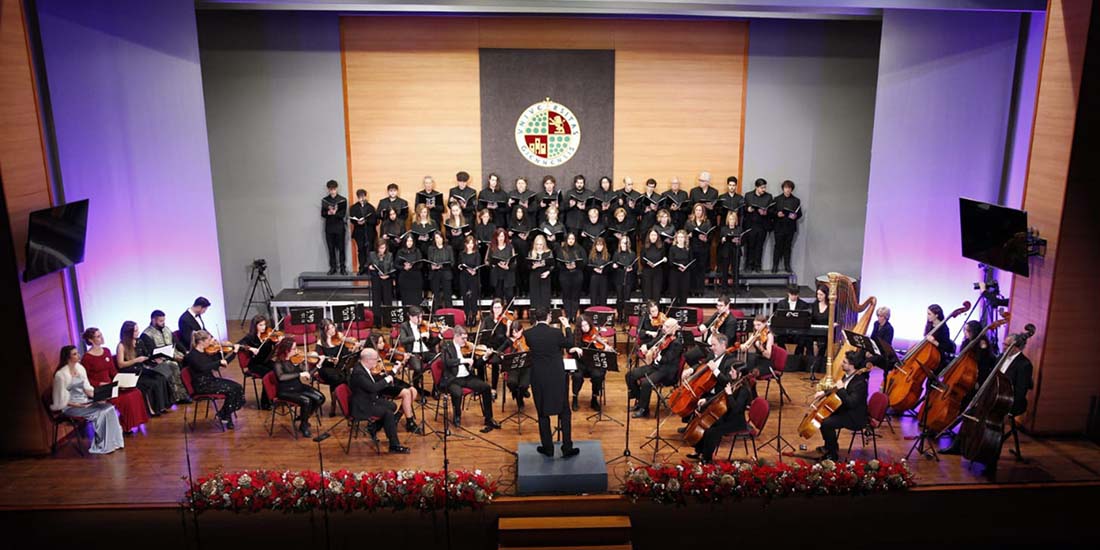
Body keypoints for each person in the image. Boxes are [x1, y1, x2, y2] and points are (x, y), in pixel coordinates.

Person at [525, 308, 583, 458]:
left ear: (535, 318)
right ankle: (567, 447)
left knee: (542, 413)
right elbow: (569, 344)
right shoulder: (556, 333)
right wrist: (568, 327)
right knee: (564, 411)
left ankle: (548, 448)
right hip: (557, 376)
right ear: (549, 317)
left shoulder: (529, 334)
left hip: (538, 377)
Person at [51, 345, 124, 454]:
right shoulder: (60, 375)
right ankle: (102, 445)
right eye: (75, 354)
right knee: (101, 412)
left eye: (77, 352)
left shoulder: (80, 368)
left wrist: (98, 397)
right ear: (67, 357)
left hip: (84, 401)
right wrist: (79, 405)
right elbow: (60, 400)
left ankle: (114, 442)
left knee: (109, 408)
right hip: (70, 407)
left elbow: (87, 388)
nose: (78, 355)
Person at [685, 349, 752, 462]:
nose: (730, 373)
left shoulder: (744, 390)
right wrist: (706, 400)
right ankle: (699, 451)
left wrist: (730, 395)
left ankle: (707, 459)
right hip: (727, 416)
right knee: (707, 424)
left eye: (732, 371)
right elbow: (719, 396)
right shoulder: (733, 383)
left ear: (740, 374)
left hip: (736, 422)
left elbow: (736, 409)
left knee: (712, 431)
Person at [81, 328, 149, 432]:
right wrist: (100, 383)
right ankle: (123, 426)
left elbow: (113, 371)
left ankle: (131, 424)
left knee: (135, 392)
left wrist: (121, 380)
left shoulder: (106, 351)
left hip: (112, 384)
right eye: (98, 336)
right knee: (125, 398)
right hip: (100, 388)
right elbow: (86, 379)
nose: (102, 338)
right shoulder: (87, 358)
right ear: (91, 340)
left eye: (101, 335)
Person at [349, 348, 411, 453]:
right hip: (361, 406)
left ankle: (374, 427)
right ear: (368, 360)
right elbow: (373, 388)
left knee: (392, 406)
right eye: (375, 359)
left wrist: (393, 371)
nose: (377, 361)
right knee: (388, 413)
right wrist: (387, 379)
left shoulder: (364, 369)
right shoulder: (358, 373)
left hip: (368, 400)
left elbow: (375, 381)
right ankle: (394, 445)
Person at [441, 326, 501, 432]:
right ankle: (457, 416)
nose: (466, 341)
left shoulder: (468, 347)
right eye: (463, 338)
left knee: (486, 387)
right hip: (453, 378)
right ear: (456, 336)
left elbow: (477, 365)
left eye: (466, 338)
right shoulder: (447, 346)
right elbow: (446, 362)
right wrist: (463, 360)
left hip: (467, 377)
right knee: (457, 392)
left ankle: (489, 418)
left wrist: (485, 357)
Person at [184, 330, 245, 429]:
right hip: (202, 385)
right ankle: (226, 415)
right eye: (209, 339)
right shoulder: (192, 355)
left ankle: (224, 413)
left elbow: (220, 364)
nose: (211, 342)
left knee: (237, 387)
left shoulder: (206, 352)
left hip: (211, 381)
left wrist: (234, 353)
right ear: (201, 341)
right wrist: (218, 362)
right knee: (231, 391)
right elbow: (202, 368)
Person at [816, 351, 869, 461]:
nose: (841, 363)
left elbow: (851, 402)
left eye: (844, 362)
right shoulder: (848, 376)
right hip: (846, 410)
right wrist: (824, 393)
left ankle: (832, 454)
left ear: (852, 365)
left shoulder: (860, 383)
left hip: (855, 416)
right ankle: (830, 446)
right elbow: (837, 389)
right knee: (821, 417)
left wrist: (841, 389)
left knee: (826, 423)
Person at [626, 317, 682, 418]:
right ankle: (640, 400)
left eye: (667, 327)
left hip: (666, 370)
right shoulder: (663, 334)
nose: (664, 328)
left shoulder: (677, 343)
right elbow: (654, 341)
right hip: (655, 366)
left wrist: (656, 353)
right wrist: (647, 347)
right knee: (630, 375)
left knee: (646, 383)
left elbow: (668, 359)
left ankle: (644, 409)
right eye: (664, 325)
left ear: (674, 329)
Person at [271, 338, 326, 437]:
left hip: (298, 386)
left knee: (320, 398)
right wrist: (300, 373)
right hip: (285, 390)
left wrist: (318, 365)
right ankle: (303, 425)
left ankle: (304, 417)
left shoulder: (297, 359)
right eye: (294, 348)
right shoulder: (278, 362)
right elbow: (281, 377)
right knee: (306, 401)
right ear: (286, 350)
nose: (296, 350)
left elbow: (308, 375)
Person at [116, 321, 172, 416]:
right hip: (131, 373)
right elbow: (121, 364)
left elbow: (146, 356)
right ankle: (152, 410)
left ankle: (162, 406)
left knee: (160, 377)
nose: (138, 332)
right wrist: (136, 360)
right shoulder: (121, 346)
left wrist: (154, 360)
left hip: (140, 369)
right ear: (128, 333)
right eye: (135, 331)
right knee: (151, 383)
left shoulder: (139, 341)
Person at [138, 310, 190, 404]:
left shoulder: (167, 329)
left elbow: (176, 342)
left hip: (174, 354)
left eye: (164, 320)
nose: (163, 323)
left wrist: (185, 352)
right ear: (153, 320)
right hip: (159, 360)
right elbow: (153, 353)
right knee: (173, 365)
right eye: (160, 321)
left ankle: (192, 390)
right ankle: (179, 395)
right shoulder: (146, 335)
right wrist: (173, 357)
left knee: (190, 359)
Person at [236, 314, 277, 409]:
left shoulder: (268, 336)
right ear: (255, 326)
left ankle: (276, 396)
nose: (264, 327)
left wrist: (278, 341)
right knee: (268, 374)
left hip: (266, 361)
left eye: (264, 325)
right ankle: (265, 402)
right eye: (261, 325)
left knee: (279, 370)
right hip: (255, 364)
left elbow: (275, 344)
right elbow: (237, 345)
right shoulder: (250, 337)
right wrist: (250, 348)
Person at [570, 315, 609, 411]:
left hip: (593, 363)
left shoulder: (594, 333)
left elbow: (601, 346)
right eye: (582, 326)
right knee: (577, 376)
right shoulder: (575, 335)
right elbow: (568, 350)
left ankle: (594, 398)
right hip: (580, 363)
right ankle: (575, 397)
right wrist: (575, 348)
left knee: (598, 375)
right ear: (579, 327)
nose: (585, 328)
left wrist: (605, 346)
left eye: (587, 325)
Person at [396, 306, 435, 391]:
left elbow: (431, 343)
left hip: (425, 351)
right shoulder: (404, 326)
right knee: (418, 368)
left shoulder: (424, 325)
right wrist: (419, 336)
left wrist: (438, 336)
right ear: (410, 317)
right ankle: (416, 386)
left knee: (440, 362)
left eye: (421, 317)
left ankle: (436, 389)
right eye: (417, 317)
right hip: (413, 352)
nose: (420, 319)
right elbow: (403, 340)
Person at [742, 178, 772, 272]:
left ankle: (757, 265)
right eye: (762, 188)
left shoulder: (768, 197)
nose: (764, 190)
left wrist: (766, 212)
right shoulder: (748, 195)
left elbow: (771, 210)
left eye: (765, 187)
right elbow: (743, 209)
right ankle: (748, 265)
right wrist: (748, 210)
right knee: (750, 246)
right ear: (756, 187)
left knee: (760, 246)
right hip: (750, 225)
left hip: (762, 225)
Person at [772, 180, 801, 273]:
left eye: (789, 188)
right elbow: (771, 211)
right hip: (779, 227)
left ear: (792, 189)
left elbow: (799, 214)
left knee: (788, 247)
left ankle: (787, 265)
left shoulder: (796, 200)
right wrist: (777, 213)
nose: (787, 190)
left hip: (790, 227)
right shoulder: (777, 199)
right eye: (786, 188)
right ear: (783, 188)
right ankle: (775, 266)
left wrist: (795, 216)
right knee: (777, 246)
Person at [500, 322, 531, 409]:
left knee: (524, 385)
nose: (515, 335)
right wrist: (503, 356)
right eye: (513, 333)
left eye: (517, 332)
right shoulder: (510, 341)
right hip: (513, 367)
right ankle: (518, 396)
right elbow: (499, 351)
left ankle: (521, 393)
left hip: (526, 367)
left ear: (522, 330)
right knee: (511, 382)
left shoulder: (527, 338)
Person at [684, 203, 713, 295]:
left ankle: (700, 290)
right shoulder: (689, 222)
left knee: (701, 270)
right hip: (692, 248)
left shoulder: (707, 222)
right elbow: (684, 235)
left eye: (700, 210)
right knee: (693, 269)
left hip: (703, 249)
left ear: (703, 211)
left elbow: (710, 235)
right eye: (696, 210)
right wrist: (689, 235)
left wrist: (706, 238)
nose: (698, 212)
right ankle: (692, 290)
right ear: (694, 211)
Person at [321, 179, 349, 275]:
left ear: (336, 188)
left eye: (334, 189)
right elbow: (323, 214)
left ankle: (342, 268)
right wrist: (329, 212)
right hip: (329, 227)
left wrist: (335, 212)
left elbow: (343, 214)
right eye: (330, 189)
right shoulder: (325, 200)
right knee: (331, 248)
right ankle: (333, 267)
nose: (332, 191)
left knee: (341, 248)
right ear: (328, 189)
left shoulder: (342, 199)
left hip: (339, 227)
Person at [557, 232, 586, 321]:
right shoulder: (562, 250)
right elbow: (558, 263)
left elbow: (584, 262)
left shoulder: (580, 249)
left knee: (575, 296)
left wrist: (576, 266)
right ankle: (568, 315)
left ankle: (573, 316)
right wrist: (565, 266)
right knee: (566, 296)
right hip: (565, 275)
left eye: (572, 239)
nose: (571, 240)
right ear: (566, 239)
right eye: (569, 239)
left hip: (577, 275)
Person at [507, 201, 534, 297]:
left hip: (524, 249)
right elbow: (508, 236)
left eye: (521, 212)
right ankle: (517, 291)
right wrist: (510, 234)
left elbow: (531, 236)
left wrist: (526, 236)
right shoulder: (512, 222)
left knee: (524, 269)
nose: (519, 214)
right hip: (515, 249)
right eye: (518, 212)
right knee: (515, 270)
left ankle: (525, 290)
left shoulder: (527, 223)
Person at [366, 239, 396, 321]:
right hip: (376, 280)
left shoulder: (390, 255)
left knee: (387, 300)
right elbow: (367, 265)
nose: (382, 250)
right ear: (377, 248)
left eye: (383, 248)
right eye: (380, 248)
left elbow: (392, 268)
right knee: (376, 301)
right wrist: (369, 267)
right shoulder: (372, 254)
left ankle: (388, 320)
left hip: (387, 280)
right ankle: (377, 321)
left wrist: (388, 275)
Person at [457, 235, 483, 325]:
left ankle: (474, 316)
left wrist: (474, 270)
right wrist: (462, 267)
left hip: (473, 277)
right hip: (464, 277)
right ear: (465, 244)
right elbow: (459, 265)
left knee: (473, 297)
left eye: (472, 243)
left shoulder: (477, 254)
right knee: (465, 297)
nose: (470, 245)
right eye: (469, 243)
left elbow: (478, 265)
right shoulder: (462, 254)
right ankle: (467, 316)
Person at [350, 189, 377, 275]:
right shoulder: (353, 207)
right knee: (360, 250)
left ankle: (369, 268)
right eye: (359, 197)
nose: (361, 198)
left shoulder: (371, 207)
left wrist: (366, 221)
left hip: (369, 232)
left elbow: (375, 221)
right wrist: (357, 221)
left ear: (366, 196)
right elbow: (352, 219)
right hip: (359, 232)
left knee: (370, 250)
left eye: (363, 196)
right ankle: (361, 268)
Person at [739, 314, 774, 379]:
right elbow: (747, 344)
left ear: (765, 324)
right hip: (756, 359)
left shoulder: (769, 335)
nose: (756, 328)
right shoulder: (756, 333)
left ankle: (751, 388)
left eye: (758, 325)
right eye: (755, 325)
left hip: (766, 362)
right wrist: (743, 346)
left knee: (753, 373)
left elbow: (768, 355)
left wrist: (760, 347)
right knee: (743, 370)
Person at [716, 211, 742, 293]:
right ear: (728, 220)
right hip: (726, 251)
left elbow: (743, 240)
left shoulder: (739, 229)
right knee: (725, 270)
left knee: (735, 270)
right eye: (730, 219)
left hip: (735, 251)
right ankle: (724, 288)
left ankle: (736, 288)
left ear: (735, 220)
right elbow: (719, 240)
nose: (731, 221)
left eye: (733, 219)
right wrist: (723, 239)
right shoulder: (724, 229)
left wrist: (738, 241)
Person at [925, 304, 957, 371]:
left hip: (937, 358)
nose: (927, 316)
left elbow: (946, 347)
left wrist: (934, 342)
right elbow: (925, 335)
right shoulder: (929, 324)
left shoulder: (944, 329)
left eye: (929, 314)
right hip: (927, 352)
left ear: (936, 315)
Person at [488, 228, 516, 303]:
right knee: (498, 296)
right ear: (496, 237)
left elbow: (514, 261)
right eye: (499, 236)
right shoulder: (492, 247)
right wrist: (493, 264)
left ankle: (510, 313)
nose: (501, 238)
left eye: (502, 236)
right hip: (497, 275)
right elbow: (488, 260)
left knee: (509, 296)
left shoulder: (510, 247)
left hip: (508, 274)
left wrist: (508, 266)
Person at [612, 236, 637, 318]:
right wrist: (614, 266)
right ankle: (619, 316)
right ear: (620, 243)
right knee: (619, 298)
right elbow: (613, 265)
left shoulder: (632, 254)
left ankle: (626, 316)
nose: (624, 245)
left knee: (627, 298)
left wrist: (632, 268)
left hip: (628, 278)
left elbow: (636, 267)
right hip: (619, 277)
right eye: (622, 242)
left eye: (626, 243)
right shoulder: (616, 254)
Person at [426, 231, 454, 307]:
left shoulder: (448, 248)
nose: (438, 240)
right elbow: (429, 262)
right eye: (436, 238)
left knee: (448, 296)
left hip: (446, 273)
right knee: (436, 297)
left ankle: (449, 314)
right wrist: (432, 266)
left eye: (440, 237)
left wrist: (442, 266)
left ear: (443, 238)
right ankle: (436, 315)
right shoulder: (431, 249)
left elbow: (452, 263)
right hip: (435, 274)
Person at [396, 233, 424, 306]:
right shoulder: (400, 252)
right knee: (406, 300)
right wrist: (404, 267)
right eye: (408, 241)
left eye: (411, 241)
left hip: (415, 277)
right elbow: (396, 265)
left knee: (416, 300)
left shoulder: (417, 251)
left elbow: (420, 264)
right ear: (405, 242)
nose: (409, 243)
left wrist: (412, 266)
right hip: (404, 277)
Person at [528, 234, 554, 312]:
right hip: (534, 277)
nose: (539, 246)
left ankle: (545, 317)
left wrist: (548, 272)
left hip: (545, 277)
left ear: (544, 244)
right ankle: (535, 318)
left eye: (541, 244)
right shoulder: (531, 253)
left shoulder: (548, 252)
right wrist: (533, 267)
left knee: (545, 298)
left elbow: (553, 265)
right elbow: (527, 266)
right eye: (537, 244)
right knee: (535, 298)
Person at [640, 228, 666, 303]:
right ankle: (647, 313)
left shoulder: (661, 247)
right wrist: (647, 263)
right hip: (647, 272)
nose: (653, 237)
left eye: (655, 235)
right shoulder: (644, 247)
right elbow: (642, 260)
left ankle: (656, 313)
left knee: (656, 295)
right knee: (647, 295)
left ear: (657, 236)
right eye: (652, 235)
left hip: (657, 273)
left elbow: (663, 258)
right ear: (649, 236)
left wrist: (664, 260)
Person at [667, 230, 692, 307]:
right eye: (679, 237)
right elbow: (670, 262)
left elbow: (691, 260)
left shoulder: (688, 249)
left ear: (685, 238)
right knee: (674, 295)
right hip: (674, 273)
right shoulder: (672, 248)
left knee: (684, 295)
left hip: (685, 273)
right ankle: (673, 314)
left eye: (682, 237)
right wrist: (678, 266)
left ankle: (683, 313)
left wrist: (685, 267)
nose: (680, 239)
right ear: (676, 238)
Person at [587, 237, 612, 309]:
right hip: (594, 277)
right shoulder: (591, 255)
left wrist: (603, 270)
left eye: (601, 245)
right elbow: (588, 267)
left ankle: (603, 313)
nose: (599, 247)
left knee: (603, 297)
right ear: (595, 246)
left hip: (603, 277)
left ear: (604, 246)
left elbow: (609, 268)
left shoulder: (607, 255)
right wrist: (594, 269)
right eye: (597, 245)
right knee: (593, 297)